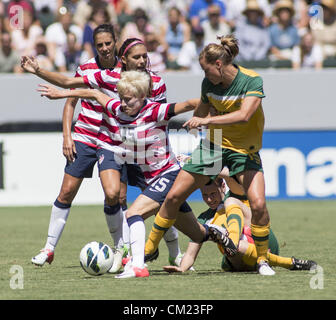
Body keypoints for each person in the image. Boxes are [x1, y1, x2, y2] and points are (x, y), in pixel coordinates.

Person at [22, 33, 184, 270]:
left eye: (144, 57)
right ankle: (121, 248)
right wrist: (38, 71)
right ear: (125, 59)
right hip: (113, 145)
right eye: (137, 57)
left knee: (160, 199)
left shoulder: (157, 82)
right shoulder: (108, 77)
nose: (142, 61)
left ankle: (175, 252)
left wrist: (161, 153)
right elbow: (70, 83)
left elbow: (160, 121)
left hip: (144, 152)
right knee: (112, 194)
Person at [36, 70, 204, 279]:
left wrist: (203, 118)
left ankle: (137, 266)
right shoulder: (118, 108)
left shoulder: (156, 111)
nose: (123, 103)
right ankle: (225, 238)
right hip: (152, 179)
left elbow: (192, 102)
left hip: (168, 174)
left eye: (128, 99)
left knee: (133, 213)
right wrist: (60, 94)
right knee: (199, 232)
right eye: (121, 98)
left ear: (142, 96)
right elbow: (96, 95)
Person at [145, 34, 276, 276]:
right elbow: (201, 113)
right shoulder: (209, 85)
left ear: (218, 65)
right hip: (213, 146)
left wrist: (207, 120)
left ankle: (262, 261)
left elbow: (244, 115)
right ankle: (146, 253)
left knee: (258, 205)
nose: (204, 76)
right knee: (173, 196)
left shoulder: (251, 81)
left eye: (206, 70)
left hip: (244, 151)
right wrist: (194, 128)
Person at [163, 169, 317, 273]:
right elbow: (191, 252)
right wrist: (182, 269)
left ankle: (231, 240)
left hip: (265, 245)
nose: (209, 199)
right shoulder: (204, 218)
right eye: (205, 195)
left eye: (213, 193)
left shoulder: (235, 193)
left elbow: (230, 175)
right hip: (238, 259)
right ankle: (290, 263)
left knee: (231, 202)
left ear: (222, 186)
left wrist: (206, 167)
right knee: (226, 240)